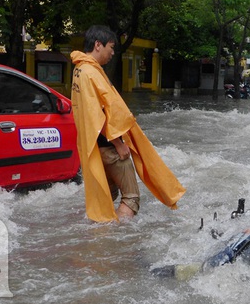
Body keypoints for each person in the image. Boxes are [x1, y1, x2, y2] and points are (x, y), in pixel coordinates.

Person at [70, 25, 186, 222]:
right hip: (110, 148)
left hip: (94, 148)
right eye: (111, 47)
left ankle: (98, 236)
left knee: (108, 196)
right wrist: (119, 144)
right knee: (131, 198)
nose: (113, 52)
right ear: (98, 45)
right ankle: (117, 243)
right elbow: (99, 115)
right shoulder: (92, 73)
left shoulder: (79, 70)